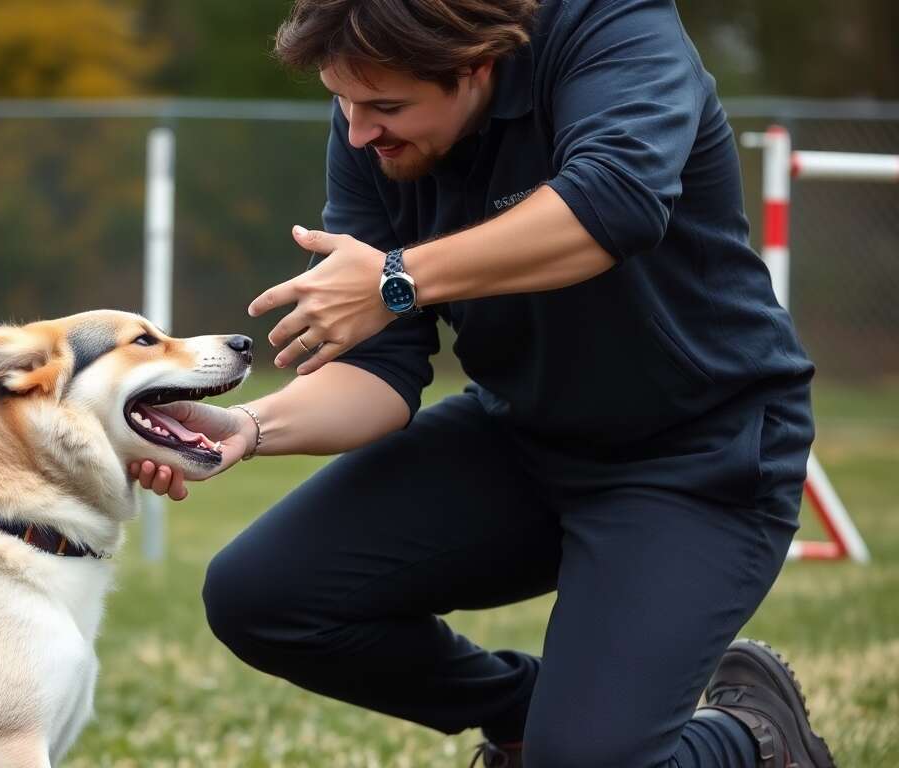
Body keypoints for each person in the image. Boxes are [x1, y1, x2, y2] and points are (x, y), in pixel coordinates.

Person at [128, 1, 834, 765]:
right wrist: (250, 428)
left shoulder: (610, 26)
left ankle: (755, 741)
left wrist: (399, 277)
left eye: (386, 107)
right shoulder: (371, 131)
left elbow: (616, 203)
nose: (361, 132)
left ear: (476, 66)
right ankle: (531, 717)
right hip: (522, 437)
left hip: (699, 454)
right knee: (261, 595)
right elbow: (380, 368)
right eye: (345, 102)